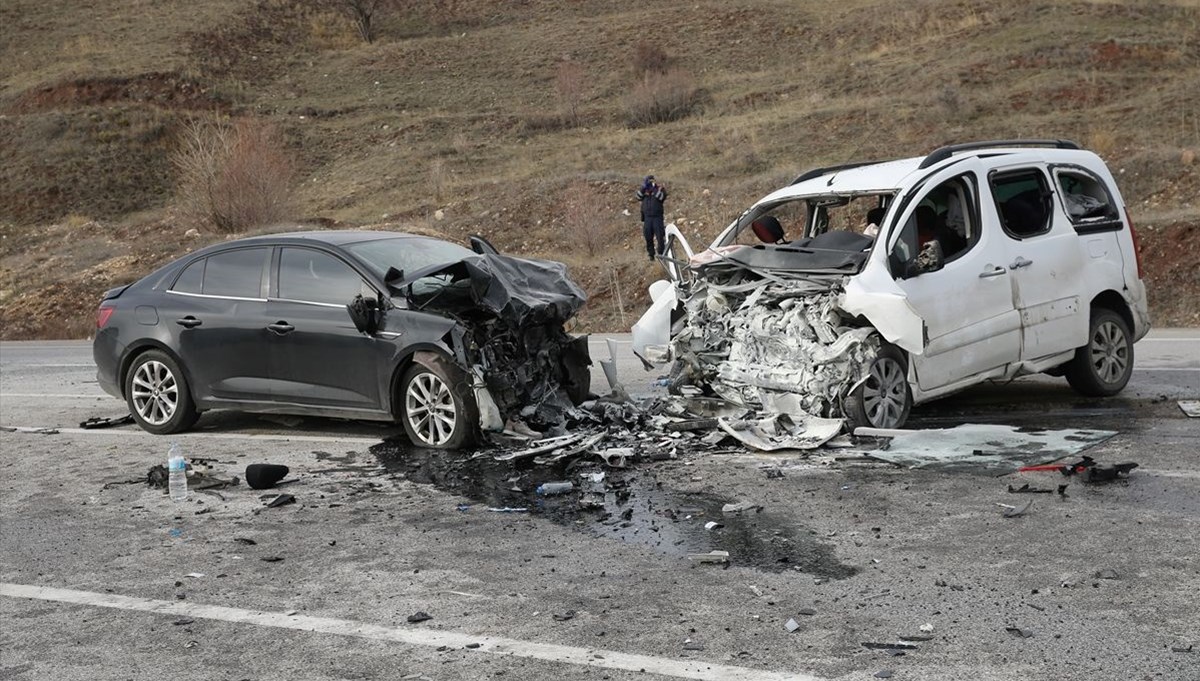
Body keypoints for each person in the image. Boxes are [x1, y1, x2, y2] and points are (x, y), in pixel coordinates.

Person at [635, 174, 668, 261]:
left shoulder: (660, 189)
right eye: (648, 181)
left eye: (651, 181)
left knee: (660, 237)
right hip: (647, 218)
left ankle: (661, 254)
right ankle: (651, 255)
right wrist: (643, 188)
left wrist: (654, 189)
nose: (650, 183)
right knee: (648, 237)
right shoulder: (644, 191)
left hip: (657, 217)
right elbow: (638, 197)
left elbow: (661, 197)